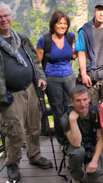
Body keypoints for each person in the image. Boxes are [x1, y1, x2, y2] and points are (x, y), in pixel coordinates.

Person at [0, 2, 53, 182]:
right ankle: (12, 163)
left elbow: (34, 61)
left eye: (6, 15)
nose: (4, 19)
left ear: (11, 17)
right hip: (8, 94)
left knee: (34, 126)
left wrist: (40, 77)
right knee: (14, 131)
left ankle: (35, 155)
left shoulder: (21, 37)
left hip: (30, 89)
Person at [36, 10, 77, 145]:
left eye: (65, 24)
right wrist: (40, 79)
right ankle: (62, 140)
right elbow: (37, 63)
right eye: (60, 23)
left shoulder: (70, 37)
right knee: (58, 110)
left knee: (71, 107)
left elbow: (73, 54)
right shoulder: (45, 40)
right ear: (53, 24)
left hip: (69, 77)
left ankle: (73, 136)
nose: (62, 26)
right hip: (52, 78)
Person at [61, 85, 103, 183]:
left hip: (91, 145)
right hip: (75, 146)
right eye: (78, 100)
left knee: (95, 173)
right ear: (72, 102)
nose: (82, 104)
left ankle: (87, 163)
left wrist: (94, 161)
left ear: (89, 98)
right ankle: (76, 177)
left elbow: (101, 139)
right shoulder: (66, 117)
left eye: (85, 99)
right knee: (78, 152)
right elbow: (76, 143)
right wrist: (72, 120)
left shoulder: (95, 113)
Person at [77, 1, 103, 105]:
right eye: (99, 10)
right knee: (91, 110)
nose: (101, 13)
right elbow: (81, 53)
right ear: (94, 11)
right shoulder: (84, 31)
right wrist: (83, 74)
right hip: (90, 76)